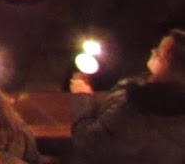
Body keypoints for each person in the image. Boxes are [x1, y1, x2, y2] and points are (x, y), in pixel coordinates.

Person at [68, 28, 185, 163]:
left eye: (158, 53)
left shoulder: (134, 108)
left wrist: (82, 96)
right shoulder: (151, 93)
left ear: (168, 67)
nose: (152, 51)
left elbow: (88, 142)